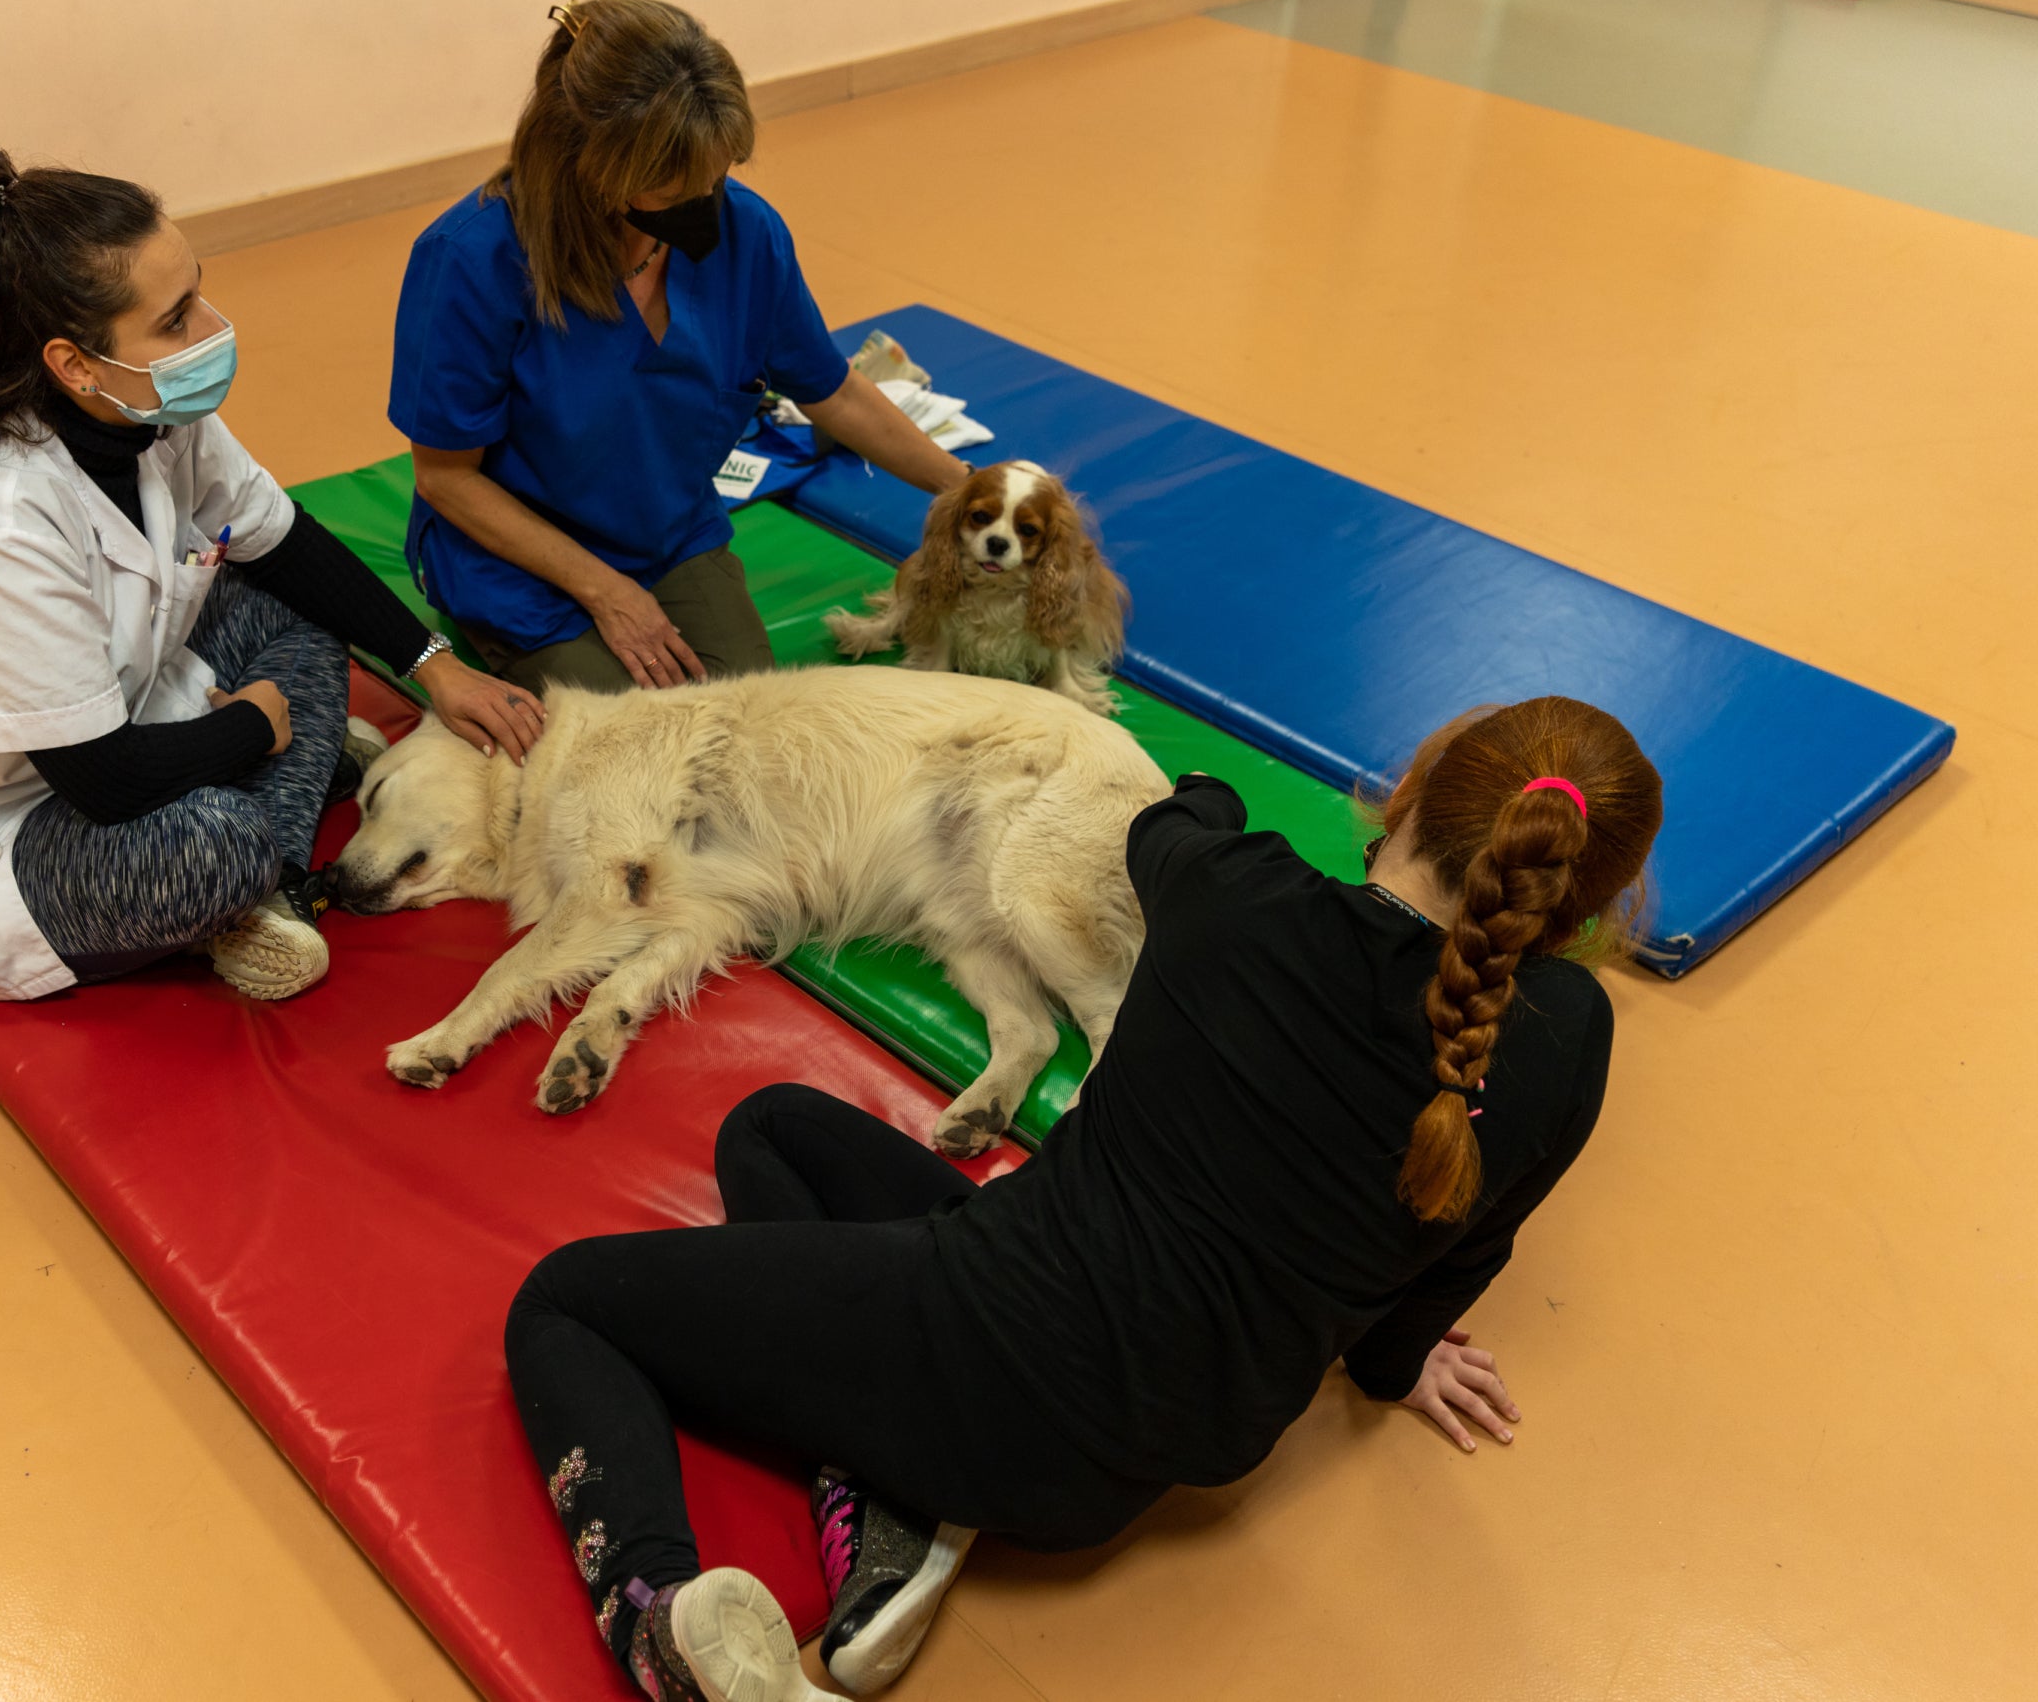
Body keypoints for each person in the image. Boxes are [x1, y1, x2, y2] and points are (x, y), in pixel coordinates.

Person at [505, 696, 1664, 1701]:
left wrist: (1208, 787)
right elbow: (1464, 1251)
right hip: (1151, 1454)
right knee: (776, 1128)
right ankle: (889, 1490)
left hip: (990, 1338)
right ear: (1584, 909)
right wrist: (1395, 1366)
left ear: (1403, 794)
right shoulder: (1571, 1036)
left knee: (564, 1302)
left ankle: (655, 1625)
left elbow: (1173, 819)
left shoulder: (1234, 890)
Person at [0, 152, 544, 1003]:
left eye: (197, 294)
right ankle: (259, 862)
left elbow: (286, 545)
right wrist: (251, 729)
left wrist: (433, 664)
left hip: (126, 717)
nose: (208, 329)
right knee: (216, 843)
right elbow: (106, 781)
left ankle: (266, 881)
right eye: (173, 321)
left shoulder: (151, 417)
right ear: (75, 364)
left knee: (296, 611)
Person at [388, 0, 970, 696]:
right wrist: (605, 592)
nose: (709, 201)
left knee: (747, 708)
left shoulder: (746, 233)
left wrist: (968, 490)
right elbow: (446, 478)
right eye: (678, 188)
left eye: (718, 176)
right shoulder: (471, 260)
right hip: (513, 562)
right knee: (636, 731)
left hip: (663, 536)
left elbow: (834, 390)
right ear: (594, 164)